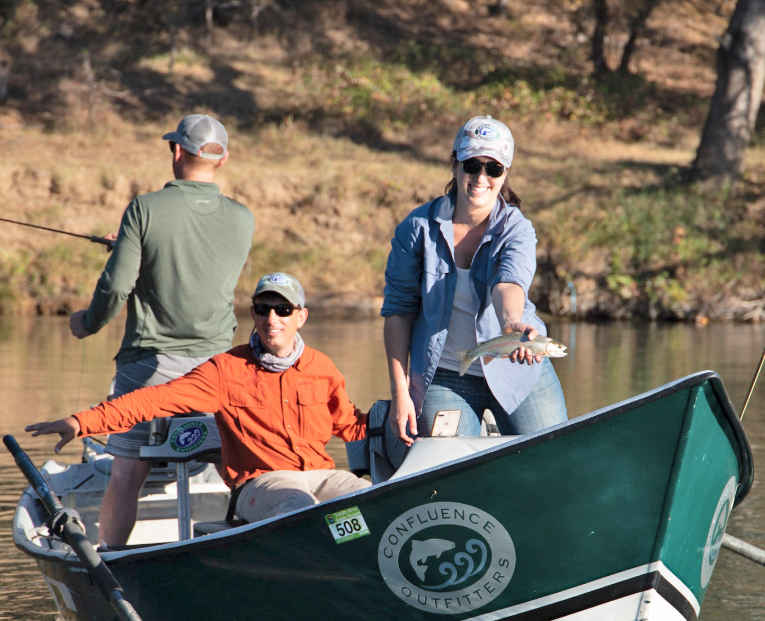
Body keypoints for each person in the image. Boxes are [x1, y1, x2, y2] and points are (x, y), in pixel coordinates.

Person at [28, 273, 371, 543]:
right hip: (261, 482)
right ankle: (318, 578)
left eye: (283, 310)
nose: (272, 318)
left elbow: (351, 425)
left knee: (368, 500)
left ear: (301, 317)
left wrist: (408, 423)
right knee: (297, 507)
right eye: (263, 308)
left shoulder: (321, 366)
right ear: (252, 313)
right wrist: (79, 422)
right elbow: (151, 400)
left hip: (321, 474)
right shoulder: (226, 369)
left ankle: (358, 573)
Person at [67, 114, 255, 546]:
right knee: (234, 464)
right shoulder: (243, 219)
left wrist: (86, 323)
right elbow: (198, 265)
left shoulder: (144, 209)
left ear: (176, 151)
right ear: (222, 160)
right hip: (217, 372)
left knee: (127, 471)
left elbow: (116, 286)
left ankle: (110, 562)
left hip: (148, 367)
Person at [382, 115, 567, 445]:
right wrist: (400, 393)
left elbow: (508, 284)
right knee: (446, 474)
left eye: (493, 168)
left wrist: (512, 324)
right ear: (455, 165)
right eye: (472, 165)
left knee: (556, 456)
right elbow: (398, 312)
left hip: (518, 371)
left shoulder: (517, 229)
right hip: (445, 376)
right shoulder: (416, 228)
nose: (481, 177)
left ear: (505, 173)